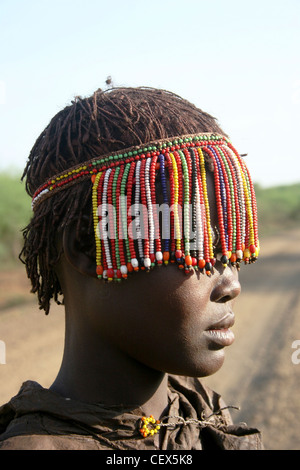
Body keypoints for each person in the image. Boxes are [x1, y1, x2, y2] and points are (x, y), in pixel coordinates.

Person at [0, 87, 262, 450]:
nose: (230, 284)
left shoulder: (205, 417)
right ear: (85, 247)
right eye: (195, 247)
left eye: (229, 250)